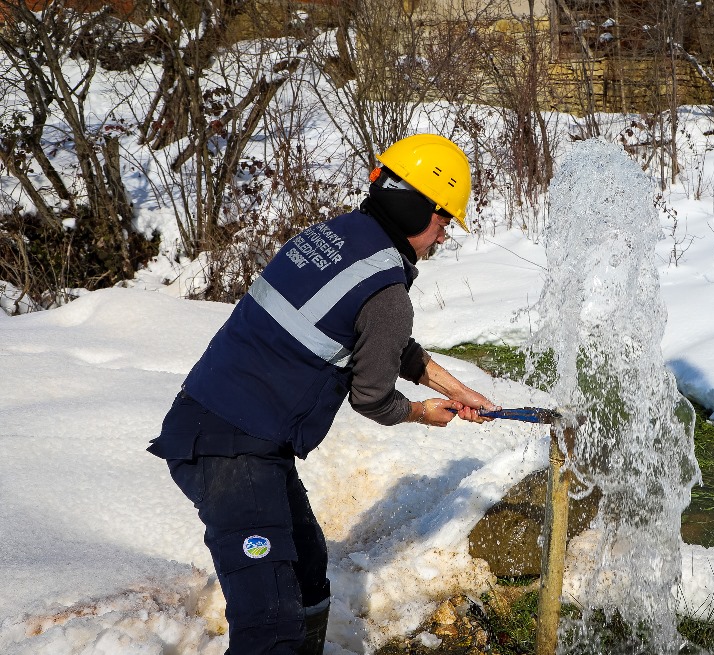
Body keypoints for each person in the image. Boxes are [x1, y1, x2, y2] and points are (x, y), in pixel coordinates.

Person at [148, 134, 499, 654]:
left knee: (309, 569)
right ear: (414, 205)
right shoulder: (388, 291)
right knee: (271, 630)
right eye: (444, 220)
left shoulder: (334, 238)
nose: (444, 237)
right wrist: (422, 412)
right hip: (232, 450)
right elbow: (373, 397)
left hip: (218, 425)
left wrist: (458, 389)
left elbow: (379, 341)